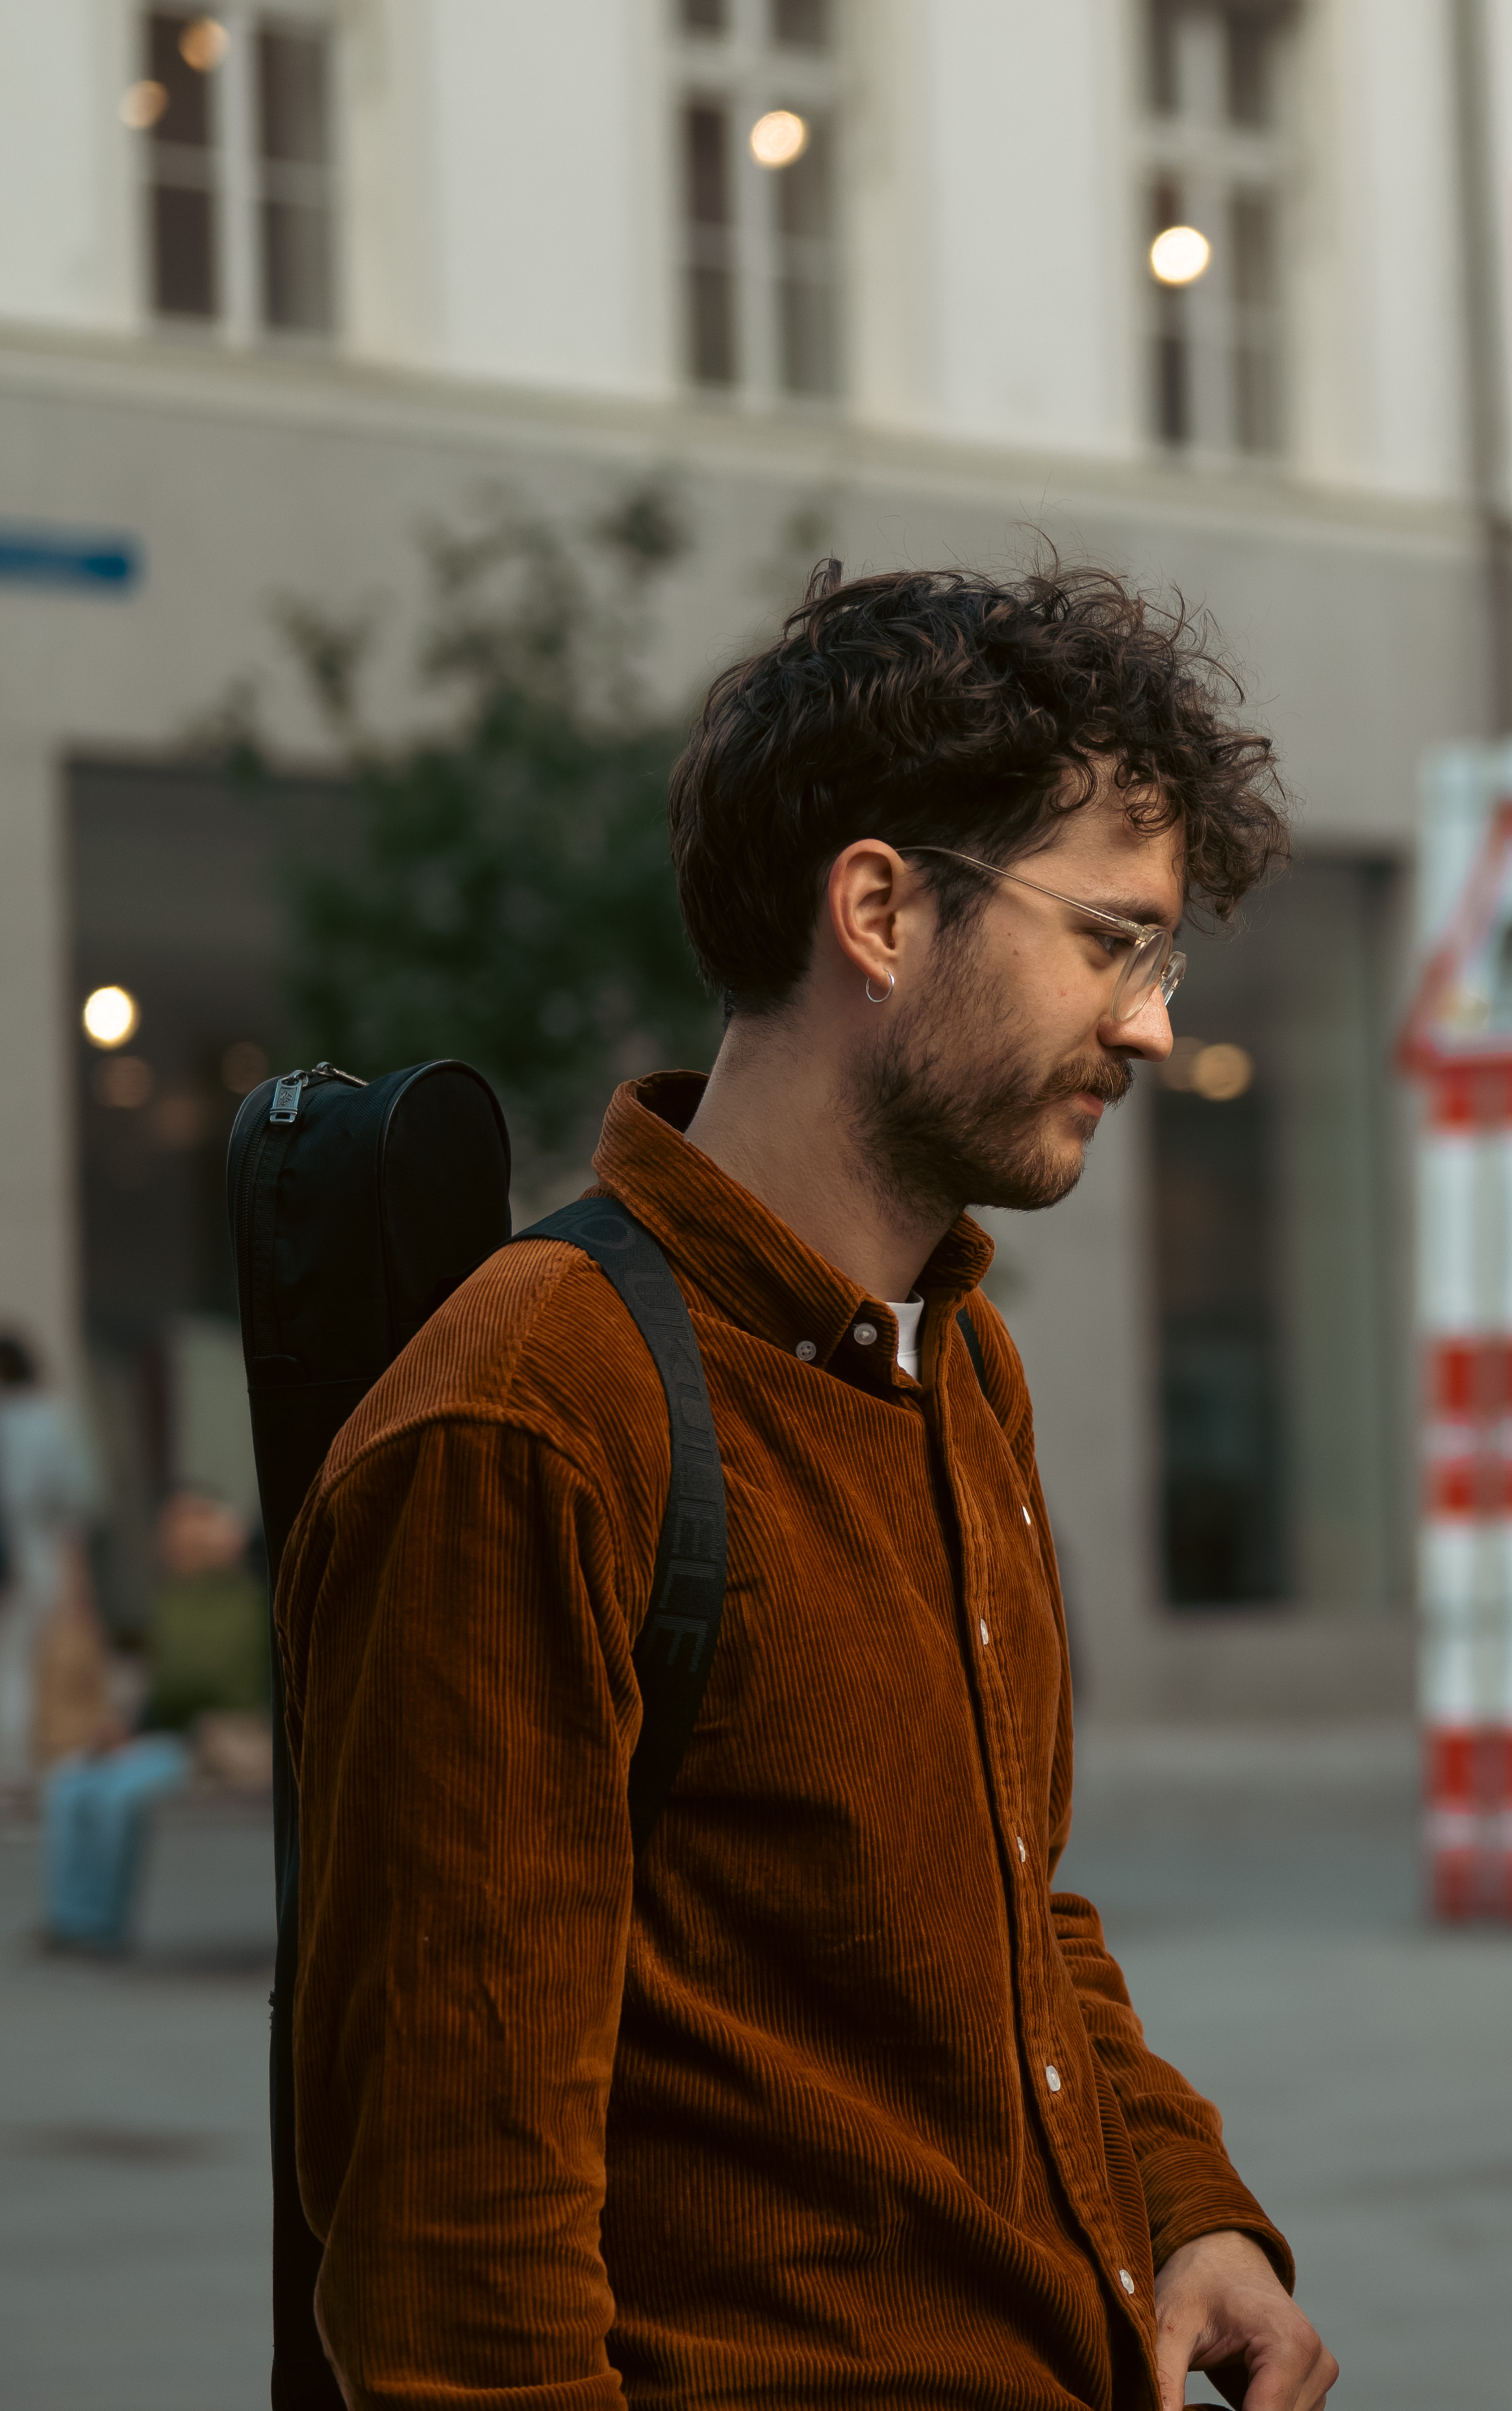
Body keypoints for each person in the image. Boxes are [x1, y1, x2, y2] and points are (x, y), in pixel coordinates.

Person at [275, 564, 1337, 2409]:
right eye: (1111, 941)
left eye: (1161, 963)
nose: (1153, 1027)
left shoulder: (957, 1365)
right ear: (879, 911)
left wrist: (1188, 2213)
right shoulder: (536, 1413)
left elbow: (1014, 1914)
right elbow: (457, 2268)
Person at [37, 1487, 270, 1954]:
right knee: (68, 1784)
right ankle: (70, 1917)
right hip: (168, 1734)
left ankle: (101, 1924)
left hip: (216, 1740)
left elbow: (206, 1684)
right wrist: (127, 1729)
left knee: (114, 1796)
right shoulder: (173, 1600)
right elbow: (165, 1686)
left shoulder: (250, 1595)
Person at [0, 1328, 102, 1804]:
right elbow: (74, 1506)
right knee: (30, 1664)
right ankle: (30, 1767)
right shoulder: (48, 1422)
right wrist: (78, 1582)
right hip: (36, 1557)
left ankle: (15, 1767)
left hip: (21, 1553)